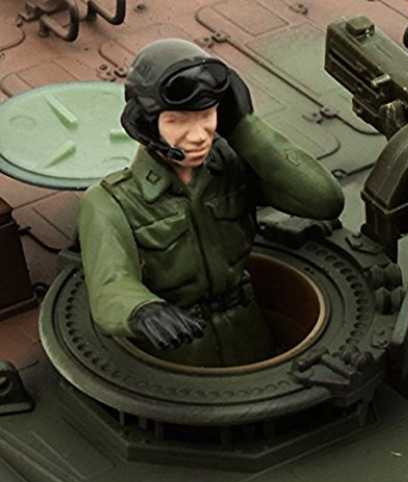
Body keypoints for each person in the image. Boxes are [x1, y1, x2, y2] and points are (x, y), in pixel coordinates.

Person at [79, 39, 344, 367]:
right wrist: (141, 309)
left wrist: (244, 127)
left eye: (206, 115)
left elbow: (323, 200)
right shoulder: (111, 201)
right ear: (146, 124)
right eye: (177, 121)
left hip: (248, 330)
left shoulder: (233, 166)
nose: (198, 135)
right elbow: (110, 284)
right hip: (181, 346)